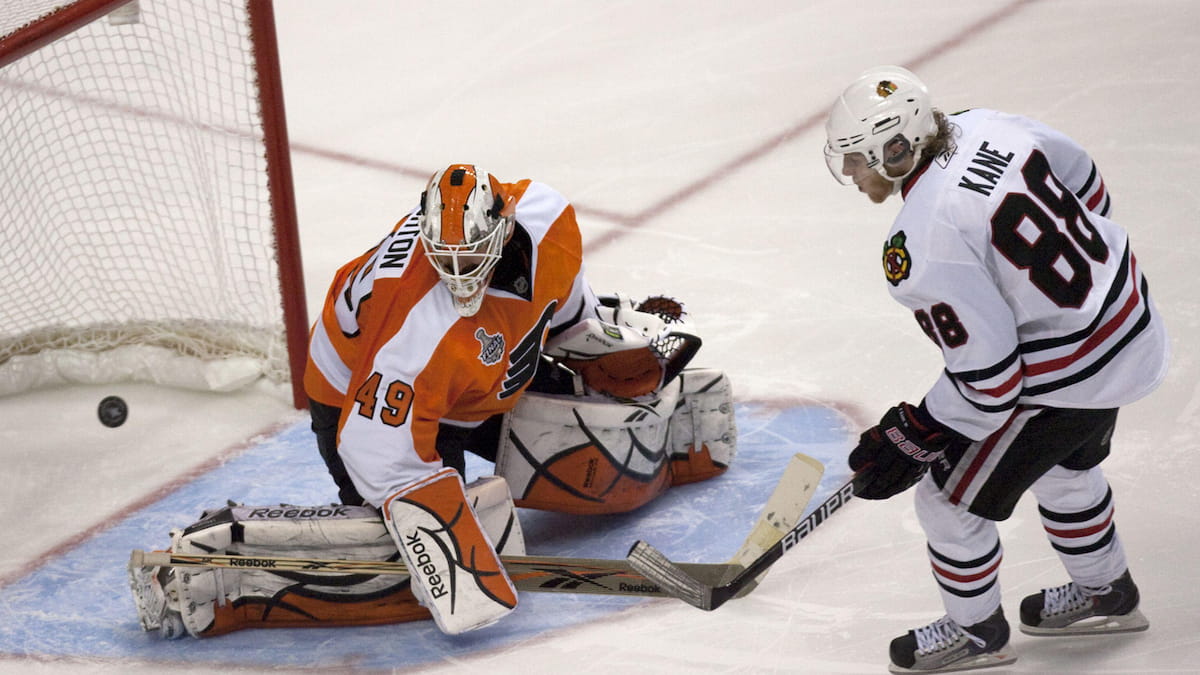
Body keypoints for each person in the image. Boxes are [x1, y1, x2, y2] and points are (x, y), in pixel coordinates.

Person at [822, 67, 1168, 672]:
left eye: (857, 159)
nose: (851, 174)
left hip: (1077, 370)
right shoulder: (987, 124)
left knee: (948, 502)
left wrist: (918, 432)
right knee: (1062, 465)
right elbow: (1085, 181)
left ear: (897, 148)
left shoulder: (922, 238)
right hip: (1128, 324)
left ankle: (976, 634)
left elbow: (991, 382)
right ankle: (1105, 591)